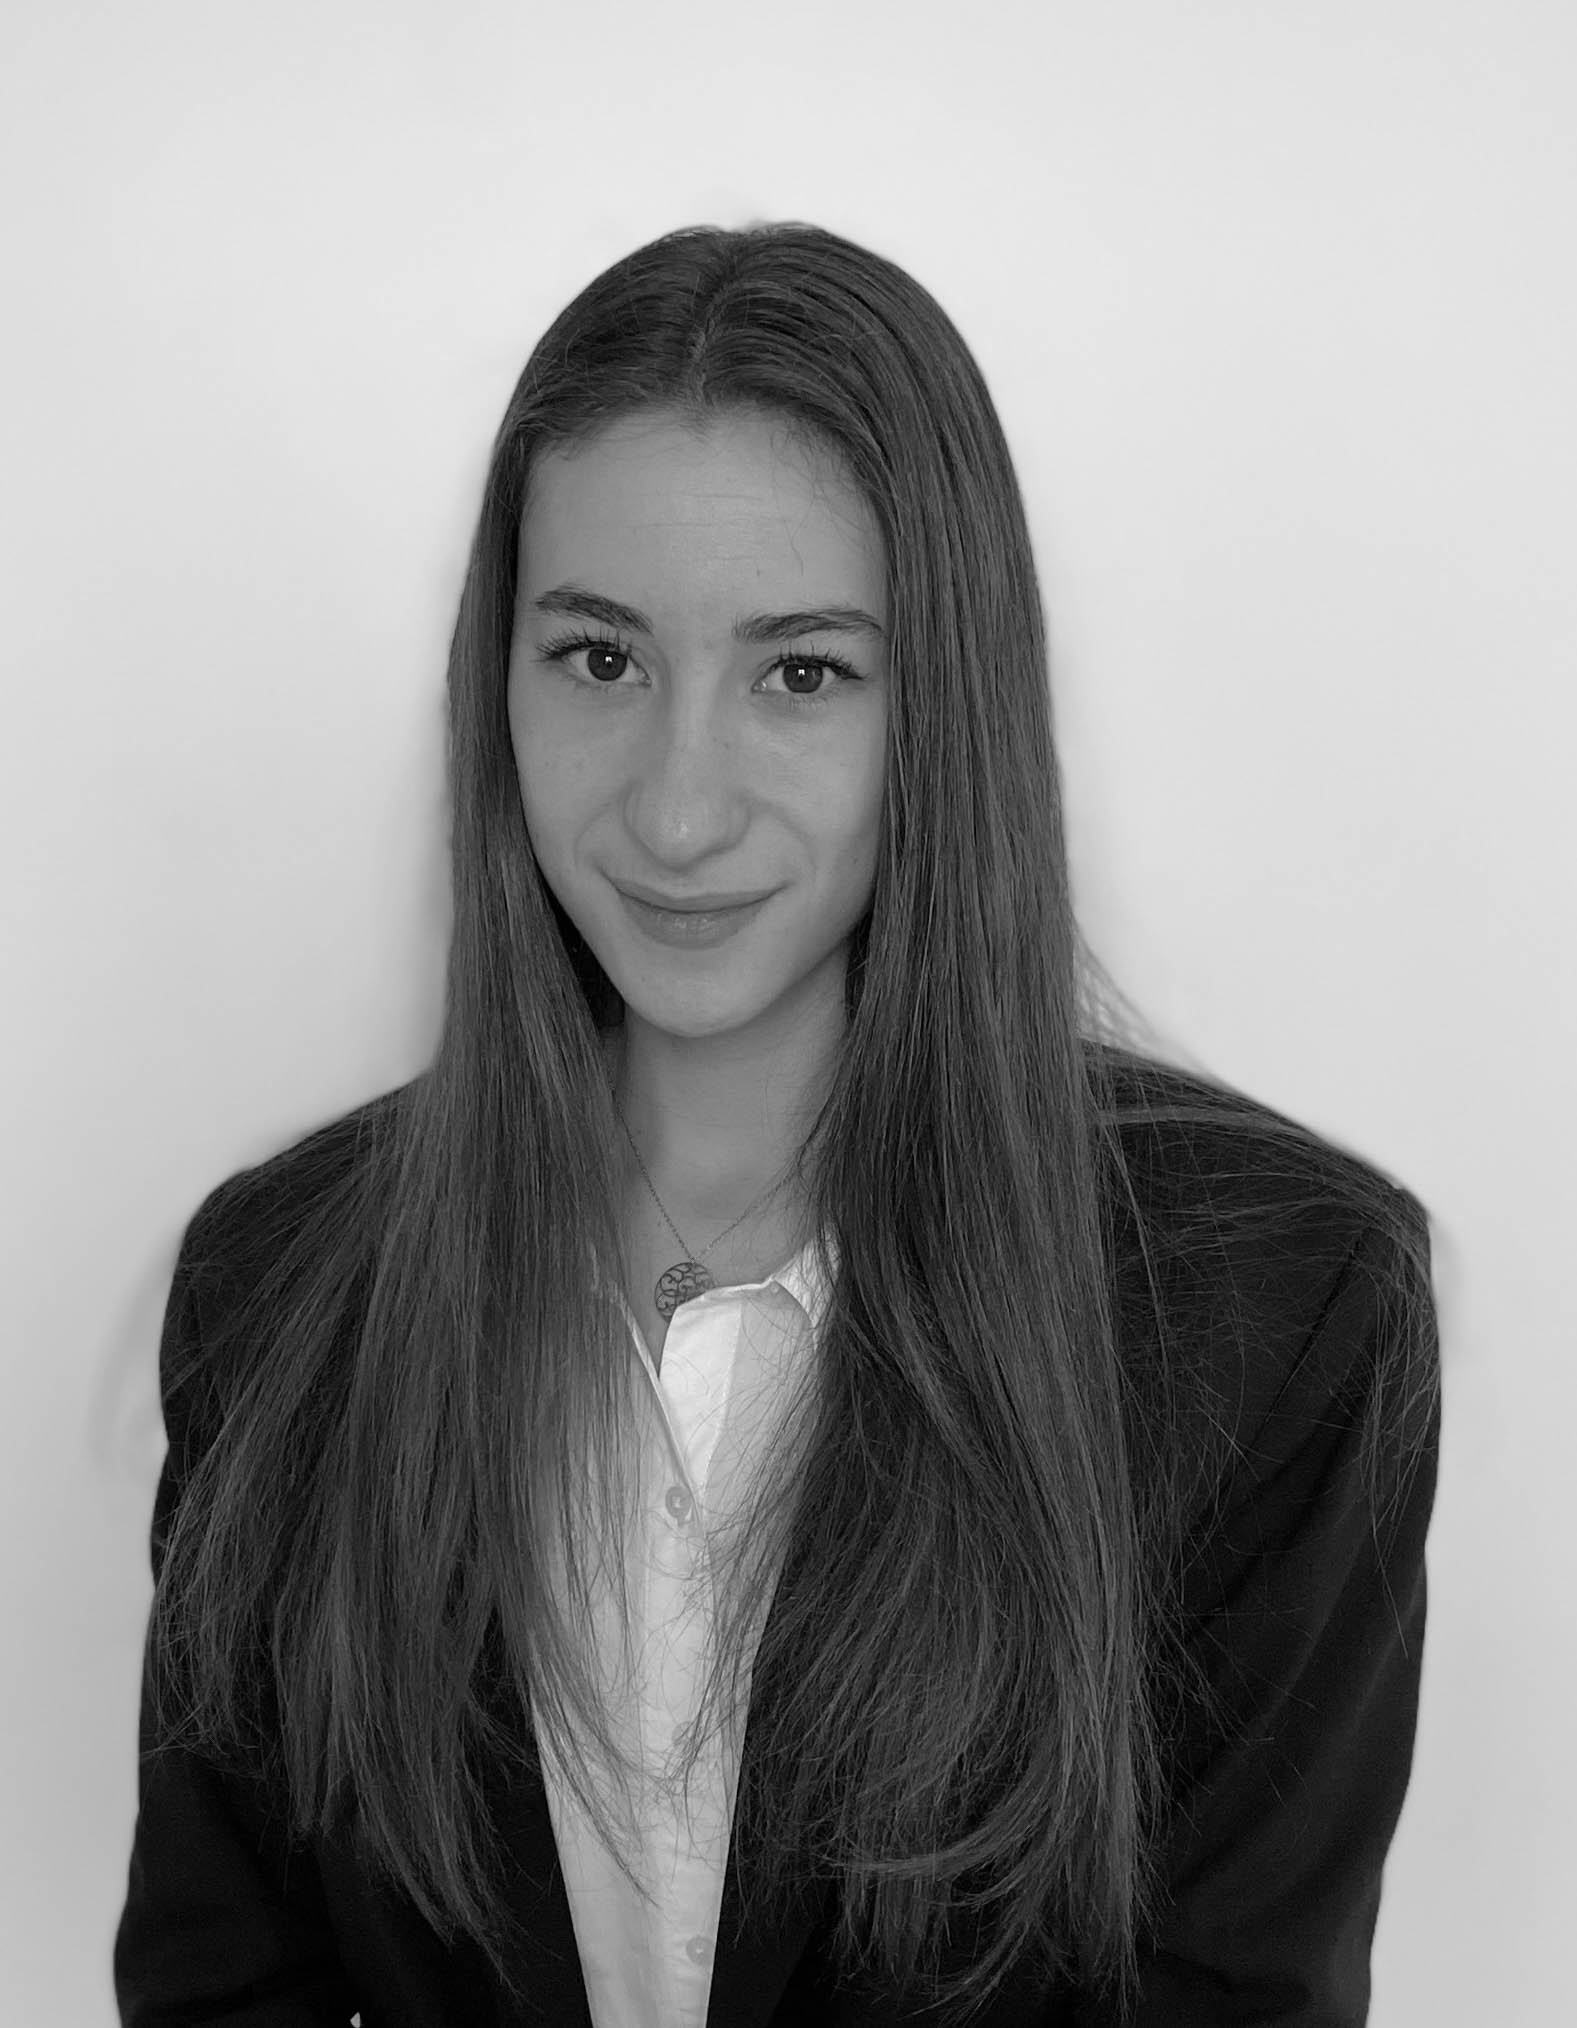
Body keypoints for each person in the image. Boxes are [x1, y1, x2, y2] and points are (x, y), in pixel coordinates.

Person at [113, 221, 1443, 2028]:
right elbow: (224, 1982)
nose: (676, 812)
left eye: (801, 673)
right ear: (498, 678)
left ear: (946, 704)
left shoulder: (1273, 1307)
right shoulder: (282, 1290)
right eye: (598, 659)